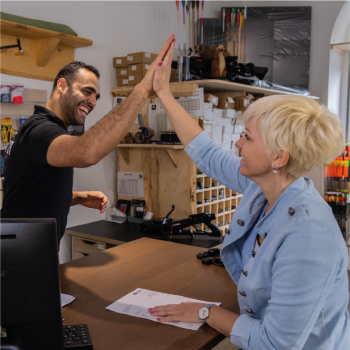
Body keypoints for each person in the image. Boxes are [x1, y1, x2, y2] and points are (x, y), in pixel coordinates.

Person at [148, 41, 350, 349]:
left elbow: (275, 343)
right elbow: (207, 154)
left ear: (278, 158)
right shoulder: (265, 187)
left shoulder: (309, 233)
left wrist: (206, 312)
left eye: (247, 137)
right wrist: (163, 92)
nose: (238, 144)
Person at [0, 34, 175, 248]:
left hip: (28, 253)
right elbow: (86, 153)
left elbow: (30, 192)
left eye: (96, 97)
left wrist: (76, 197)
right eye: (87, 92)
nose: (92, 102)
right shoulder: (40, 130)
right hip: (18, 257)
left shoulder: (38, 129)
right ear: (62, 85)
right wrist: (142, 89)